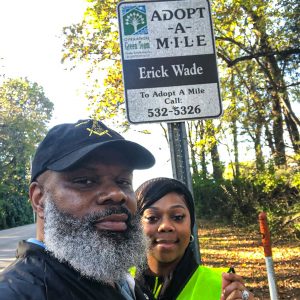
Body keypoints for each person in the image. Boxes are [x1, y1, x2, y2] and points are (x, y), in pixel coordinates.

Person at [0, 119, 156, 300]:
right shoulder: (14, 293)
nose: (117, 194)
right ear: (39, 199)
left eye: (123, 182)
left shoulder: (121, 279)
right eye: (85, 181)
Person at [135, 177, 255, 300]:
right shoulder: (119, 282)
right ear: (135, 226)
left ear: (191, 224)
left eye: (177, 217)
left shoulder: (223, 286)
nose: (166, 226)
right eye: (152, 218)